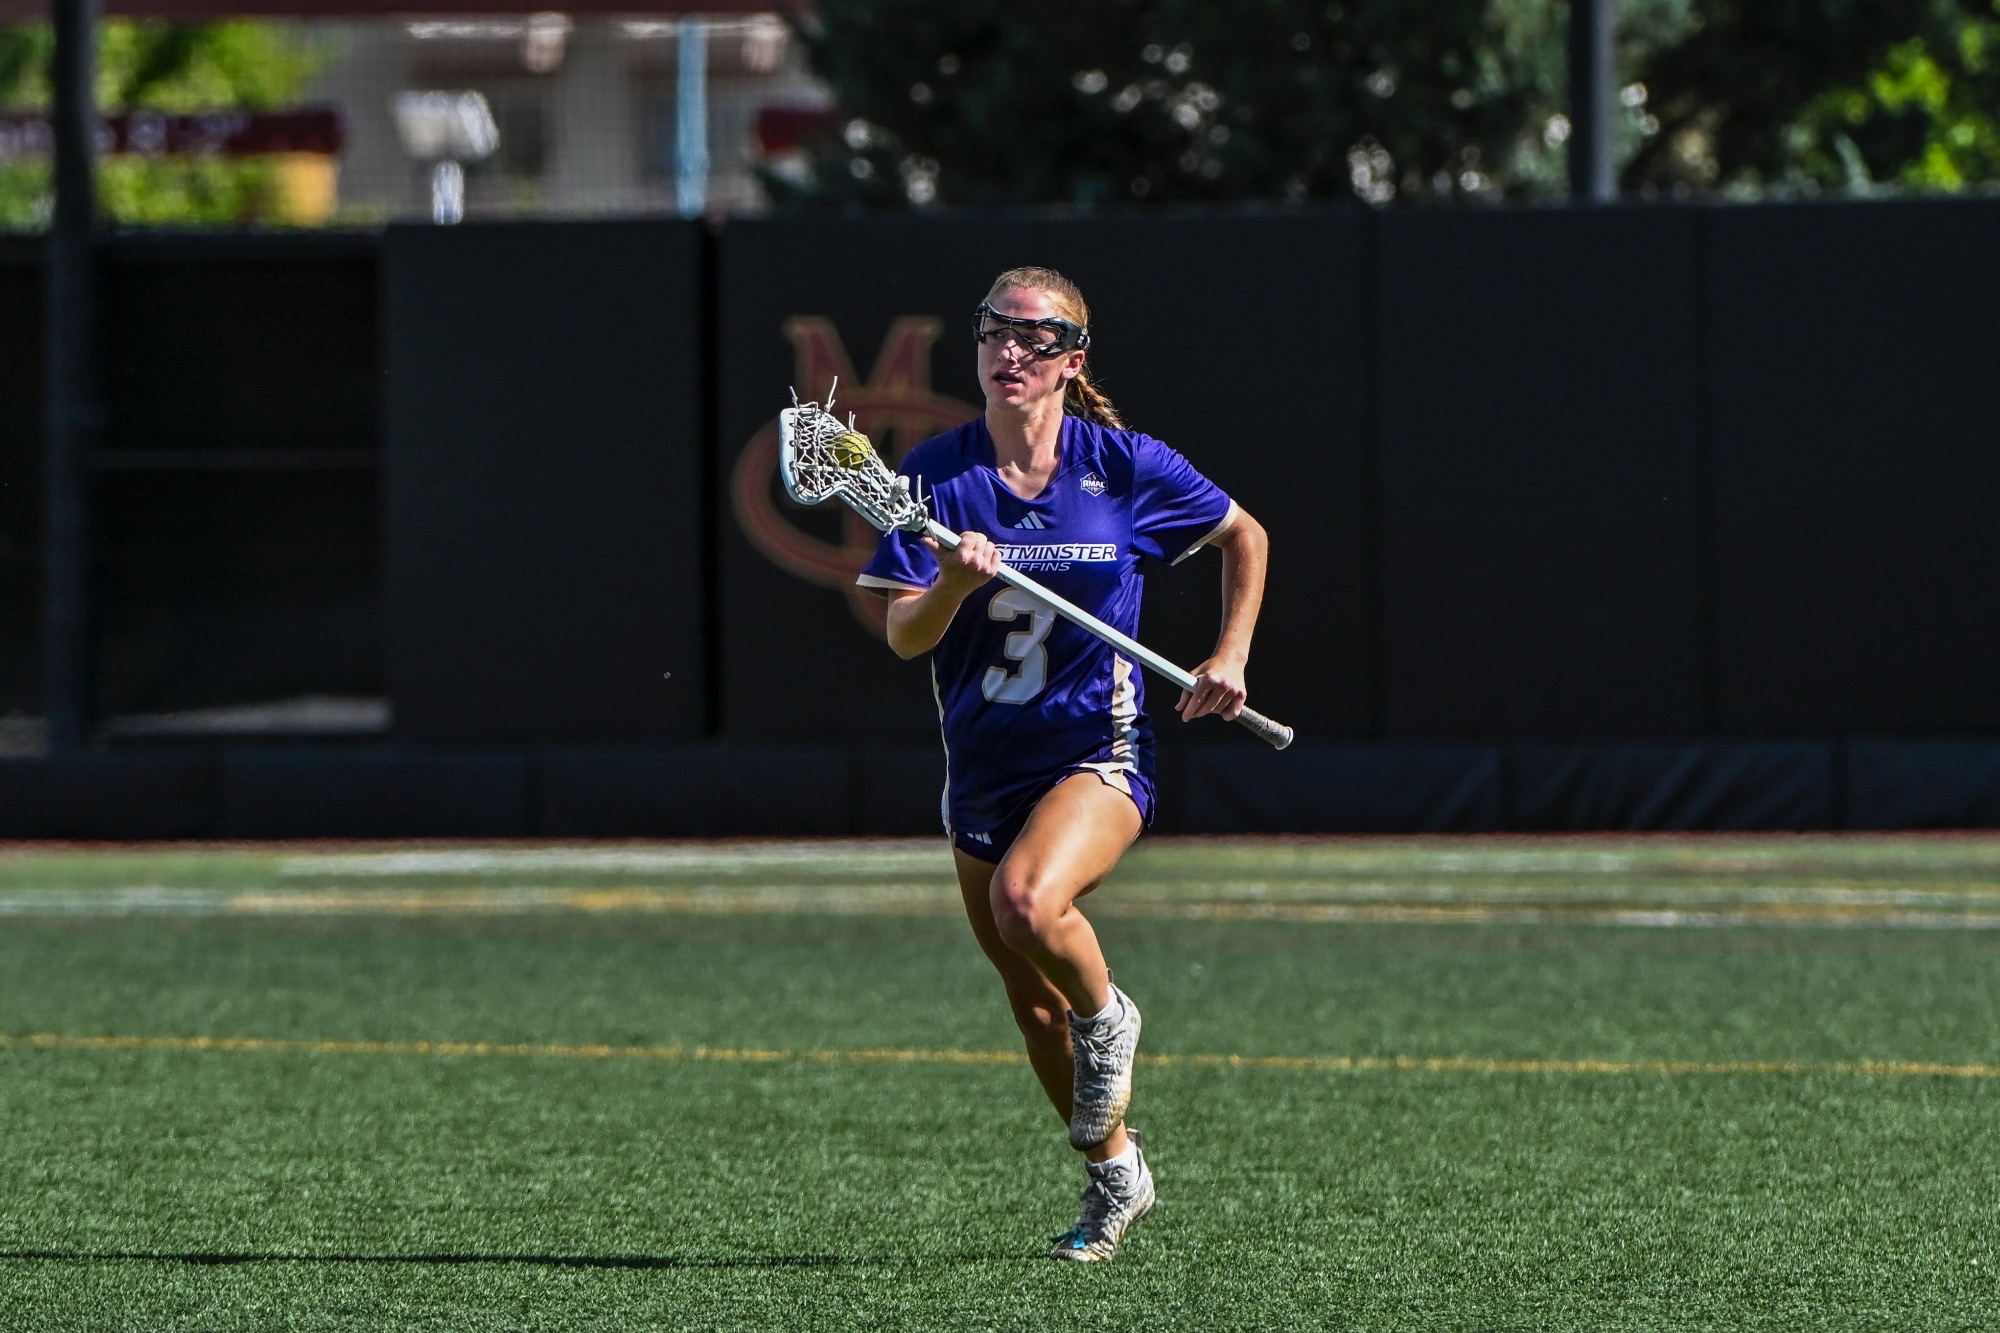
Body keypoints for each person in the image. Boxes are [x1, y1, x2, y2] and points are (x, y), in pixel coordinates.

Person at [856, 267, 1270, 1263]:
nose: (1010, 350)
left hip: (1097, 753)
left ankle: (1110, 1011)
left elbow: (1242, 534)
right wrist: (952, 579)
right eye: (994, 331)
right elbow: (905, 638)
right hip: (983, 772)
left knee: (1028, 902)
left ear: (1070, 362)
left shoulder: (1123, 467)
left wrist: (1229, 654)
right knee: (1030, 1000)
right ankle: (1114, 1173)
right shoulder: (935, 479)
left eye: (1035, 338)